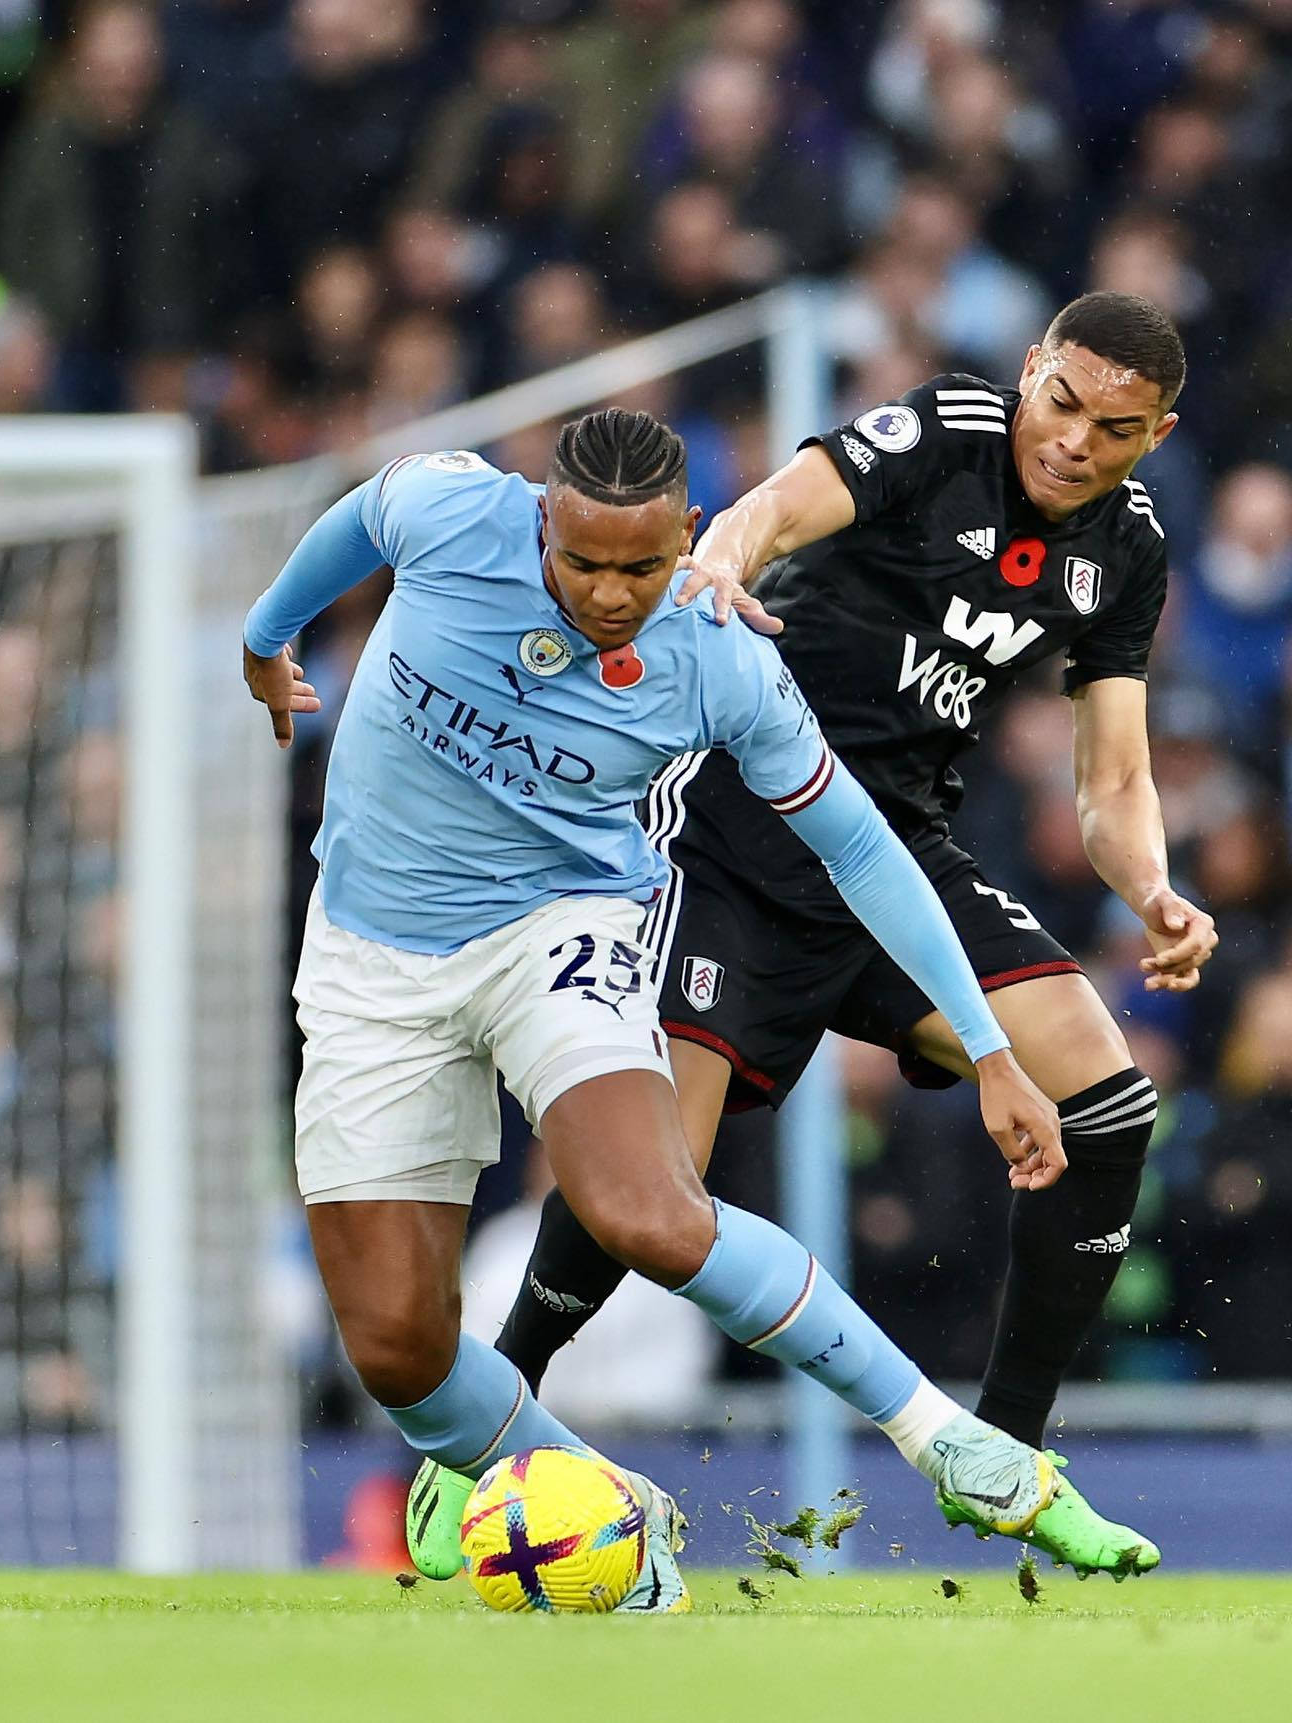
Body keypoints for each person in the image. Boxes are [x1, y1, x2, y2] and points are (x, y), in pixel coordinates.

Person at [243, 407, 1158, 1613]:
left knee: (649, 1210)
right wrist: (268, 636)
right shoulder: (449, 509)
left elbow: (867, 856)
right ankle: (605, 1501)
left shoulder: (721, 654)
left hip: (561, 930)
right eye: (582, 562)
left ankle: (953, 1441)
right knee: (399, 1351)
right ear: (544, 520)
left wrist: (987, 1047)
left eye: (642, 565)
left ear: (686, 535)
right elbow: (351, 522)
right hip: (368, 959)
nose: (612, 592)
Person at [495, 294, 1219, 1462]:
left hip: (895, 860)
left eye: (1116, 428)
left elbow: (1114, 780)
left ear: (1159, 436)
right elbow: (771, 511)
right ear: (1033, 371)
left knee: (1107, 1097)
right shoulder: (946, 429)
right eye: (1064, 403)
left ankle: (1010, 1459)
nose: (1077, 440)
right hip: (736, 834)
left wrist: (1152, 891)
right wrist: (720, 567)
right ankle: (496, 1398)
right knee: (646, 1188)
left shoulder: (1129, 548)